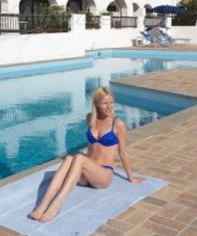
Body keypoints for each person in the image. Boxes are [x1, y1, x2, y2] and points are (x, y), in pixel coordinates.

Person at [28, 86, 144, 223]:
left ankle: (56, 205)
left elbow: (123, 152)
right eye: (105, 103)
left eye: (111, 102)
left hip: (102, 175)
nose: (109, 107)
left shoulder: (118, 124)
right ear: (96, 105)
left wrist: (131, 177)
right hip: (84, 175)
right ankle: (42, 205)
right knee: (71, 157)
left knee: (79, 158)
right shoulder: (90, 119)